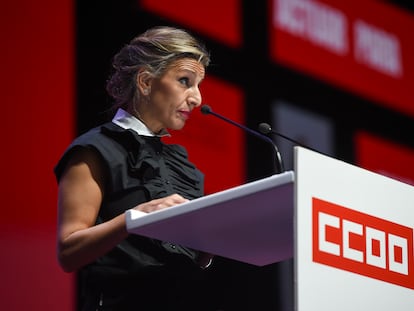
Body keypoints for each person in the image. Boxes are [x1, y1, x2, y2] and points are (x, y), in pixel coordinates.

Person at [54, 26, 219, 310]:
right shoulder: (96, 149)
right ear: (145, 81)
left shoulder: (184, 167)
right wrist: (137, 217)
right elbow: (68, 251)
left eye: (198, 85)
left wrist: (212, 245)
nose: (197, 99)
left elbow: (191, 260)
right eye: (185, 81)